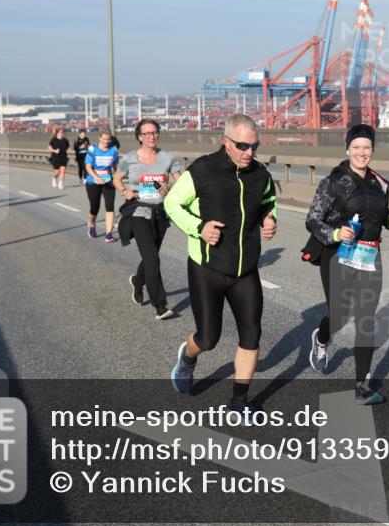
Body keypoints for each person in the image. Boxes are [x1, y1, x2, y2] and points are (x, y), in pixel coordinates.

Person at [165, 114, 276, 414]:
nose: (249, 152)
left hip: (245, 270)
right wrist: (198, 227)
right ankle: (187, 358)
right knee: (208, 338)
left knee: (252, 334)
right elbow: (172, 203)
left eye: (255, 146)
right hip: (207, 267)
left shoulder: (260, 175)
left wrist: (269, 219)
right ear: (226, 142)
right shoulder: (202, 170)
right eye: (242, 146)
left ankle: (239, 401)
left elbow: (269, 202)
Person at [305, 124, 389, 404]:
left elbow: (382, 214)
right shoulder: (334, 182)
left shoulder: (379, 183)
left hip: (369, 256)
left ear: (372, 150)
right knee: (339, 315)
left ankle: (362, 385)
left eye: (367, 147)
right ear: (348, 149)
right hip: (338, 255)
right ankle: (321, 338)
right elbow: (313, 220)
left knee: (366, 320)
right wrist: (336, 233)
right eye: (357, 147)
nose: (362, 153)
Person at [116, 119, 183, 315]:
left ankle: (138, 281)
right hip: (138, 212)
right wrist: (124, 191)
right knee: (153, 258)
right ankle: (160, 306)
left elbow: (181, 182)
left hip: (160, 214)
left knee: (150, 257)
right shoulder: (129, 159)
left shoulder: (168, 158)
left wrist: (169, 187)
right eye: (147, 133)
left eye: (154, 132)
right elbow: (116, 179)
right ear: (139, 137)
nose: (151, 136)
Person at [84, 130, 119, 241]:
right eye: (104, 139)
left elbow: (115, 165)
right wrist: (96, 177)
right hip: (93, 181)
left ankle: (109, 234)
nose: (106, 141)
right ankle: (92, 224)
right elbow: (88, 167)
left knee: (110, 206)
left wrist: (118, 178)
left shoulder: (113, 150)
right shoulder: (93, 149)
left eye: (108, 139)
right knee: (95, 207)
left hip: (108, 181)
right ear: (99, 138)